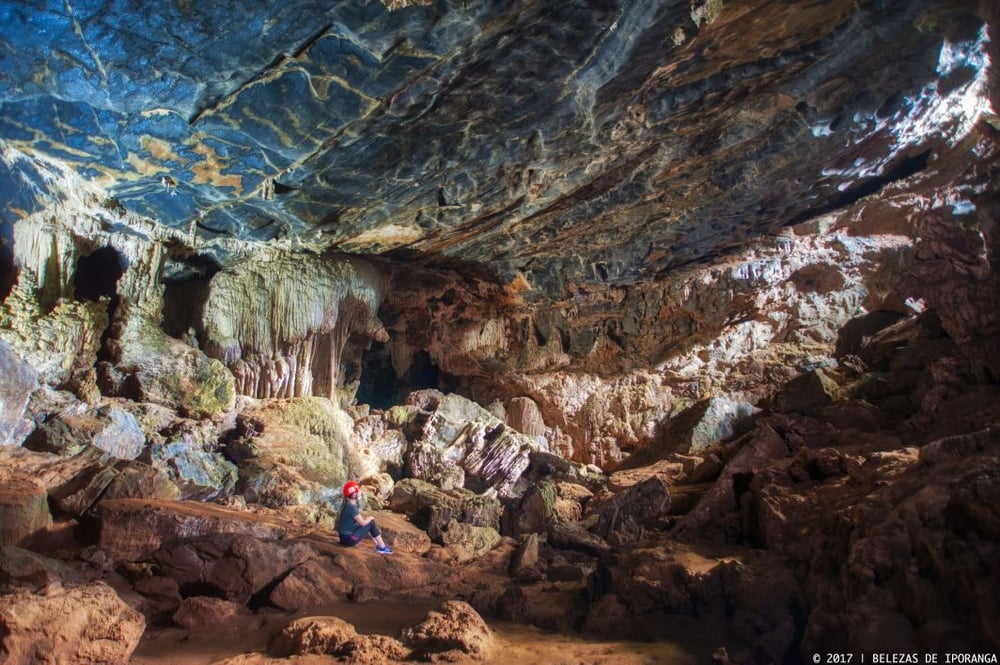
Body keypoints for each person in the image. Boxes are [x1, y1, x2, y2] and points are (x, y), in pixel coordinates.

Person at [337, 480, 392, 554]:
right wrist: (370, 518)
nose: (359, 492)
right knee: (371, 522)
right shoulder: (352, 507)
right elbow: (362, 523)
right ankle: (382, 547)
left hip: (343, 538)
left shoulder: (348, 504)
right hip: (348, 540)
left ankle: (382, 546)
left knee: (367, 522)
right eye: (358, 490)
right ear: (354, 494)